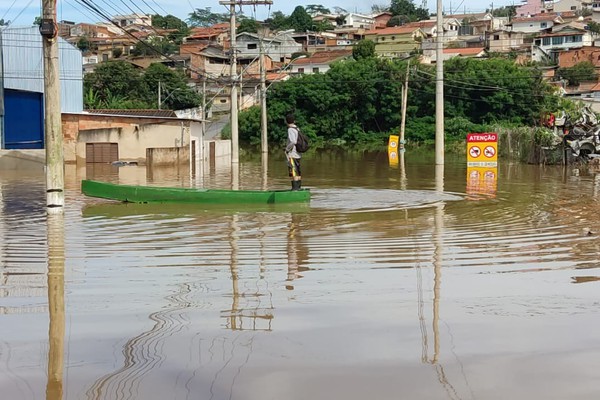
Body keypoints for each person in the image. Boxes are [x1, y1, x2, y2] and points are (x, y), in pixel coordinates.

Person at [285, 113, 302, 190]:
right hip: (298, 154)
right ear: (294, 121)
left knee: (293, 172)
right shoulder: (297, 128)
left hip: (293, 154)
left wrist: (287, 149)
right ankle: (298, 188)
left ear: (286, 121)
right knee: (298, 171)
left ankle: (295, 189)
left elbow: (293, 141)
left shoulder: (290, 129)